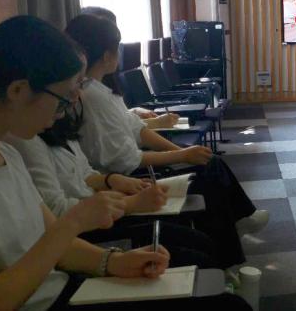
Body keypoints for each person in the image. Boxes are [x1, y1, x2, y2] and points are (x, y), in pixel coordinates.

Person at [0, 15, 250, 311]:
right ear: (18, 91)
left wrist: (113, 261)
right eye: (63, 98)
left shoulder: (9, 154)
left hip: (64, 286)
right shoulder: (22, 145)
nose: (66, 110)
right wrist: (77, 221)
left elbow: (59, 245)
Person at [64, 14, 267, 268]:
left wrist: (183, 150)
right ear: (107, 55)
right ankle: (229, 252)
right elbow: (126, 160)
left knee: (208, 162)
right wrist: (181, 155)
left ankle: (237, 225)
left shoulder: (103, 91)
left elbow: (137, 129)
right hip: (130, 176)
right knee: (209, 173)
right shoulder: (91, 96)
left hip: (126, 172)